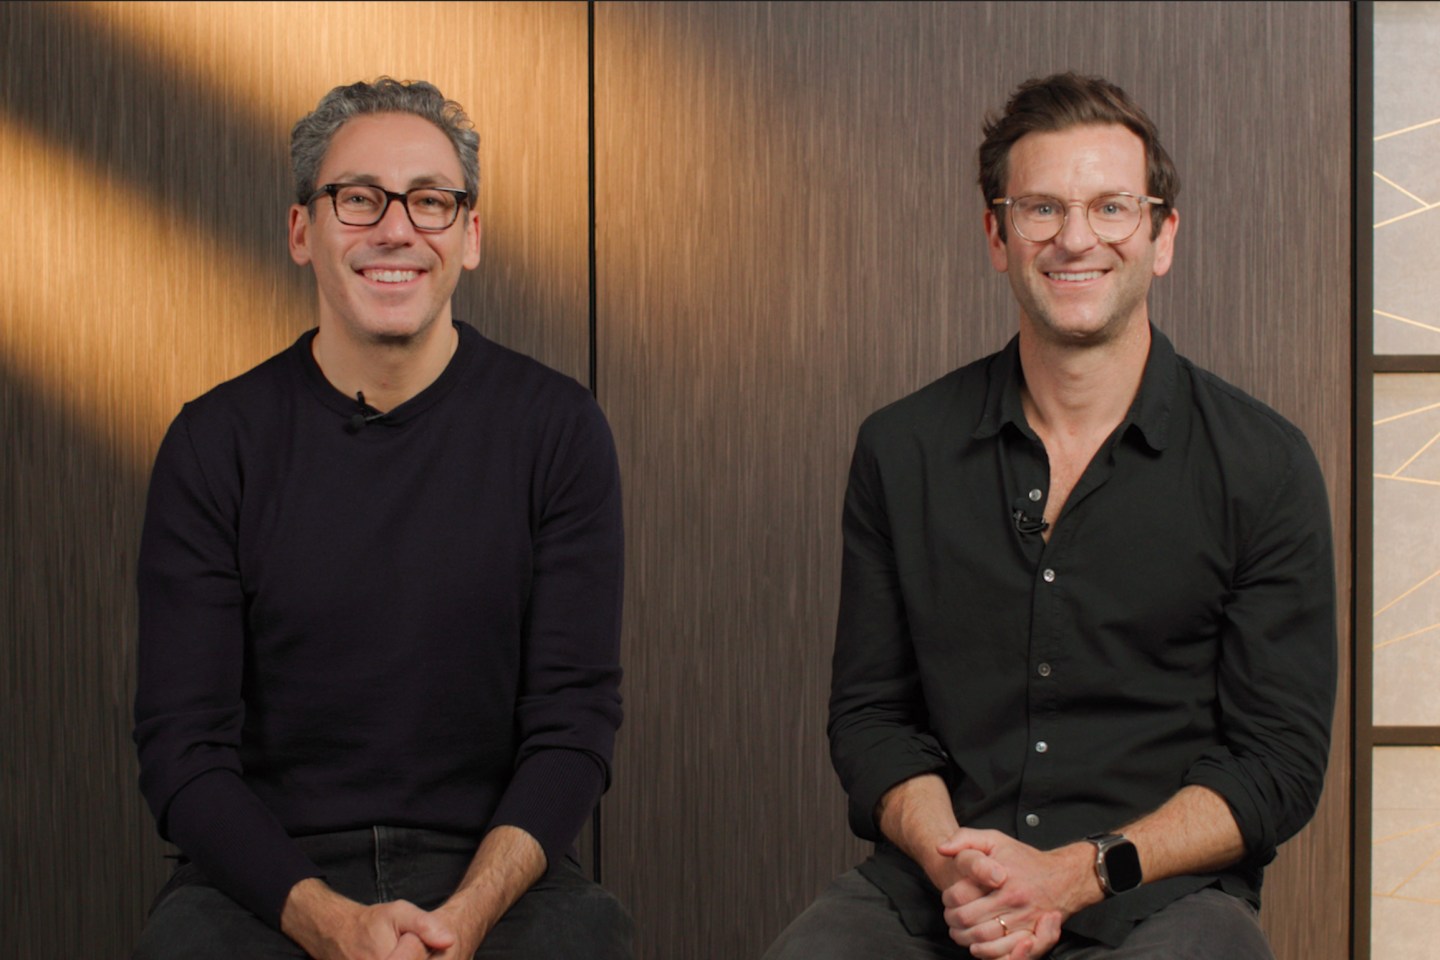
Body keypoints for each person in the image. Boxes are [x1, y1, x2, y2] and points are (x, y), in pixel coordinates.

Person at [763, 72, 1335, 960]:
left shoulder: (1264, 465)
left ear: (1161, 235)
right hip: (942, 885)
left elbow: (1277, 764)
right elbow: (871, 718)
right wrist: (956, 864)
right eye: (1041, 210)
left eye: (1111, 208)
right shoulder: (899, 449)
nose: (1076, 240)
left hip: (1158, 900)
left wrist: (1077, 872)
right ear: (997, 235)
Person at [131, 78, 632, 960]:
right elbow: (184, 750)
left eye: (430, 202)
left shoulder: (557, 429)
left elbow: (573, 725)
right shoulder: (215, 443)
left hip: (491, 874)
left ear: (469, 237)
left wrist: (466, 916)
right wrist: (329, 923)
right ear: (302, 232)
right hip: (268, 881)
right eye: (358, 199)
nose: (395, 228)